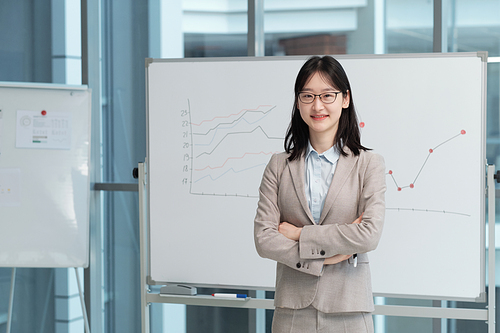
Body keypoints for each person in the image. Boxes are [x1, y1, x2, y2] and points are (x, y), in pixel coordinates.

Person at [254, 55, 386, 333]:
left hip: (349, 309)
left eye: (327, 95)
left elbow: (369, 234)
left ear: (345, 99)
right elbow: (264, 239)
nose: (317, 105)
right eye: (308, 95)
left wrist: (300, 234)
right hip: (292, 311)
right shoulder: (279, 165)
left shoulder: (368, 165)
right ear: (298, 101)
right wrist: (328, 258)